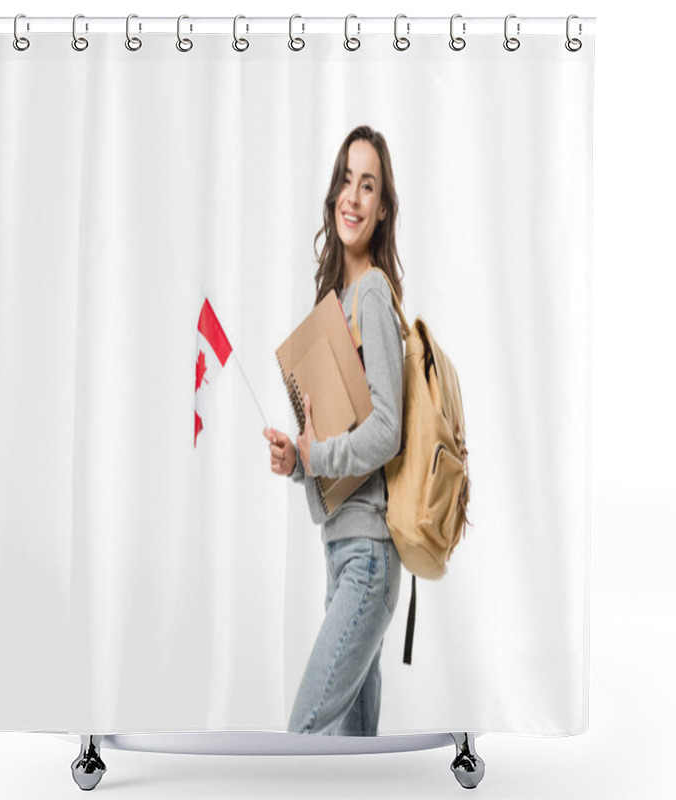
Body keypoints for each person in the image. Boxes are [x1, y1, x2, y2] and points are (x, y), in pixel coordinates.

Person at [262, 125, 405, 736]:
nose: (352, 195)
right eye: (346, 179)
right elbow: (341, 446)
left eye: (367, 184)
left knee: (300, 743)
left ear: (380, 208)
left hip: (368, 557)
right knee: (352, 762)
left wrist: (318, 455)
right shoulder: (339, 300)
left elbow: (389, 431)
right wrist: (299, 459)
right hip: (344, 553)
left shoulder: (371, 293)